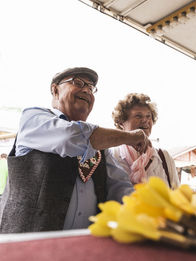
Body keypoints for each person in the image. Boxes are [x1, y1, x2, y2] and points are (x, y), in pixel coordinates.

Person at [0, 67, 150, 233]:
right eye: (78, 83)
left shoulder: (101, 145)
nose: (86, 90)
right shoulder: (34, 118)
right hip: (29, 246)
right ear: (55, 90)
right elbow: (69, 137)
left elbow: (120, 186)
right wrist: (132, 136)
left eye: (91, 88)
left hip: (82, 249)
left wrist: (144, 218)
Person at [111, 93, 179, 189]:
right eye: (138, 116)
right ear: (121, 122)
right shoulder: (112, 156)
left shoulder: (164, 157)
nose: (145, 120)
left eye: (148, 116)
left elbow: (176, 195)